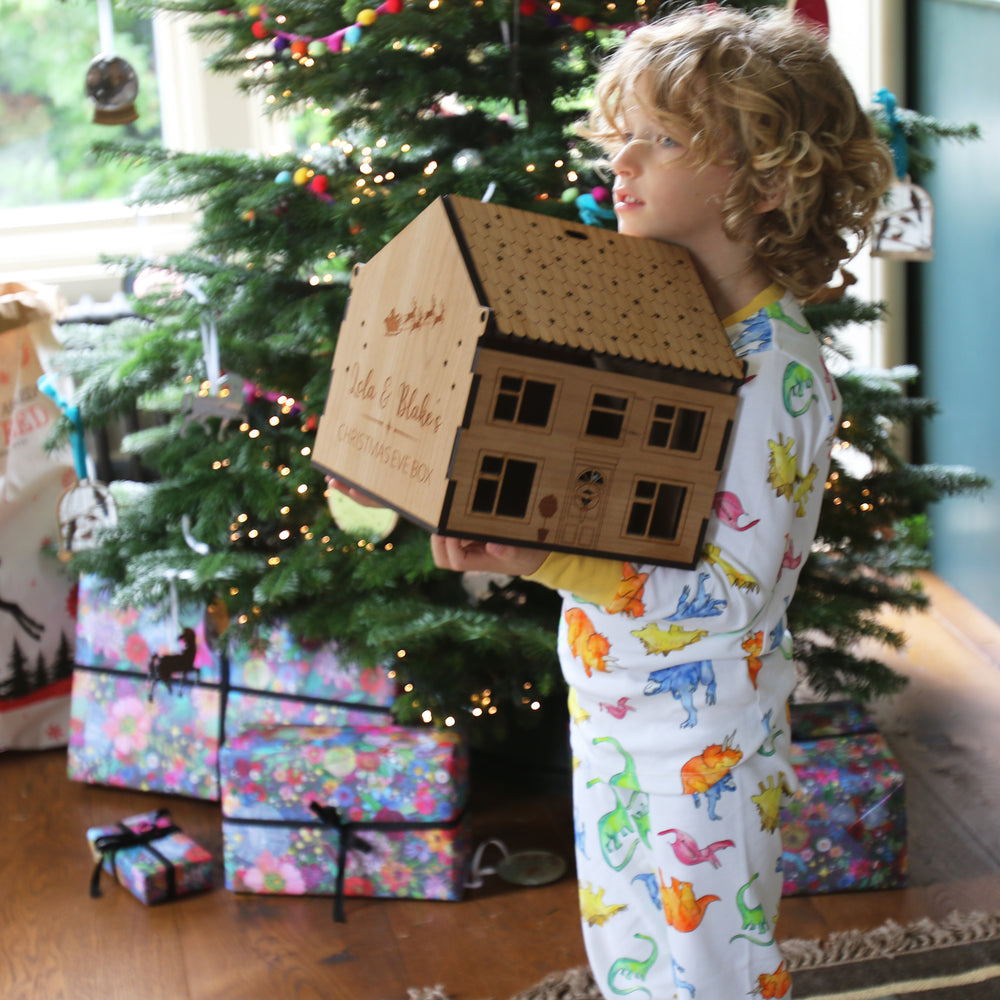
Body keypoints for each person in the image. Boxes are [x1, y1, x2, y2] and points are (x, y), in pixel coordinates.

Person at [426, 7, 893, 999]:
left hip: (704, 740)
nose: (621, 157)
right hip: (609, 702)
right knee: (628, 947)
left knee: (707, 968)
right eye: (621, 131)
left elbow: (720, 595)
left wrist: (536, 559)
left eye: (664, 139)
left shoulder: (777, 374)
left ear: (767, 180)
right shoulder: (659, 328)